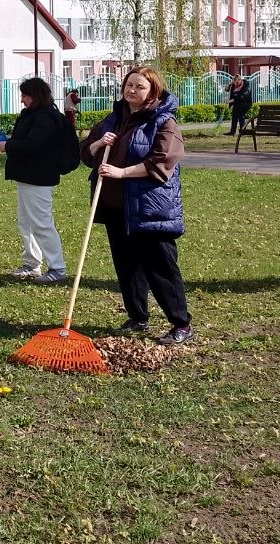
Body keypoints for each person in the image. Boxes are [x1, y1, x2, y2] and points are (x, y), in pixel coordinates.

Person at [80, 66, 194, 346]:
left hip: (150, 207)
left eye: (139, 86)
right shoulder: (114, 118)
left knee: (161, 267)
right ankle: (138, 317)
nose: (132, 90)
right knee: (127, 265)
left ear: (153, 91)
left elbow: (162, 163)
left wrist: (121, 173)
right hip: (115, 206)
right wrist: (98, 144)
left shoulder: (163, 121)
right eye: (129, 85)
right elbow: (85, 153)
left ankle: (181, 323)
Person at [0, 77, 68, 284]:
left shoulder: (46, 117)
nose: (22, 100)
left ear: (35, 96)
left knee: (42, 223)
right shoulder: (34, 114)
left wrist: (7, 146)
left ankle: (57, 268)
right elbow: (28, 142)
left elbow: (33, 145)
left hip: (39, 178)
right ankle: (32, 263)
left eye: (24, 95)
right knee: (26, 223)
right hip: (28, 176)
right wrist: (9, 144)